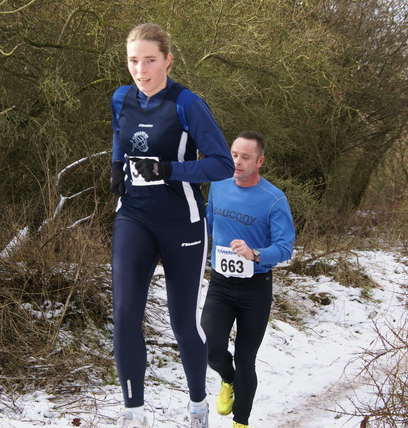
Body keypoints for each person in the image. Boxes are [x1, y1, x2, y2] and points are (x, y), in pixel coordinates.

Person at [109, 23, 234, 428]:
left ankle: (198, 406)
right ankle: (134, 415)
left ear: (167, 60)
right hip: (134, 215)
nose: (140, 70)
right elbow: (118, 133)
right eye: (133, 61)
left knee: (182, 322)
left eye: (149, 60)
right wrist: (116, 167)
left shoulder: (187, 104)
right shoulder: (121, 98)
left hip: (182, 222)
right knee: (126, 312)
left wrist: (168, 170)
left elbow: (221, 164)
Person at [201, 131, 295, 428]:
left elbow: (285, 248)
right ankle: (228, 379)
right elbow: (208, 223)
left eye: (245, 157)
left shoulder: (274, 199)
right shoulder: (218, 186)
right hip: (221, 284)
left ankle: (241, 422)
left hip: (255, 288)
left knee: (246, 360)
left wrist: (255, 253)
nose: (237, 162)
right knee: (210, 347)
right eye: (234, 155)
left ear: (260, 161)